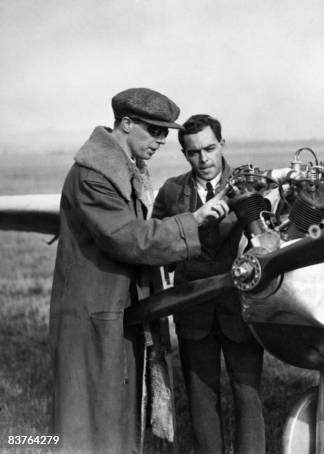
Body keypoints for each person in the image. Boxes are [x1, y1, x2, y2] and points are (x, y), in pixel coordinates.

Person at [49, 89, 230, 454]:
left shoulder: (121, 169)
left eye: (166, 133)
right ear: (126, 124)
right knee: (88, 418)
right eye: (155, 130)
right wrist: (191, 222)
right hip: (94, 310)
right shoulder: (94, 176)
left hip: (115, 308)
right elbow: (128, 238)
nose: (162, 140)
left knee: (116, 410)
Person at [153, 114, 265, 454]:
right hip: (193, 311)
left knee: (249, 395)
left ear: (223, 144)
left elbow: (269, 241)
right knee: (201, 398)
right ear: (184, 154)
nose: (204, 159)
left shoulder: (252, 183)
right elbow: (157, 244)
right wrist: (190, 228)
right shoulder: (172, 191)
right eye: (194, 152)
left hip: (240, 309)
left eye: (210, 148)